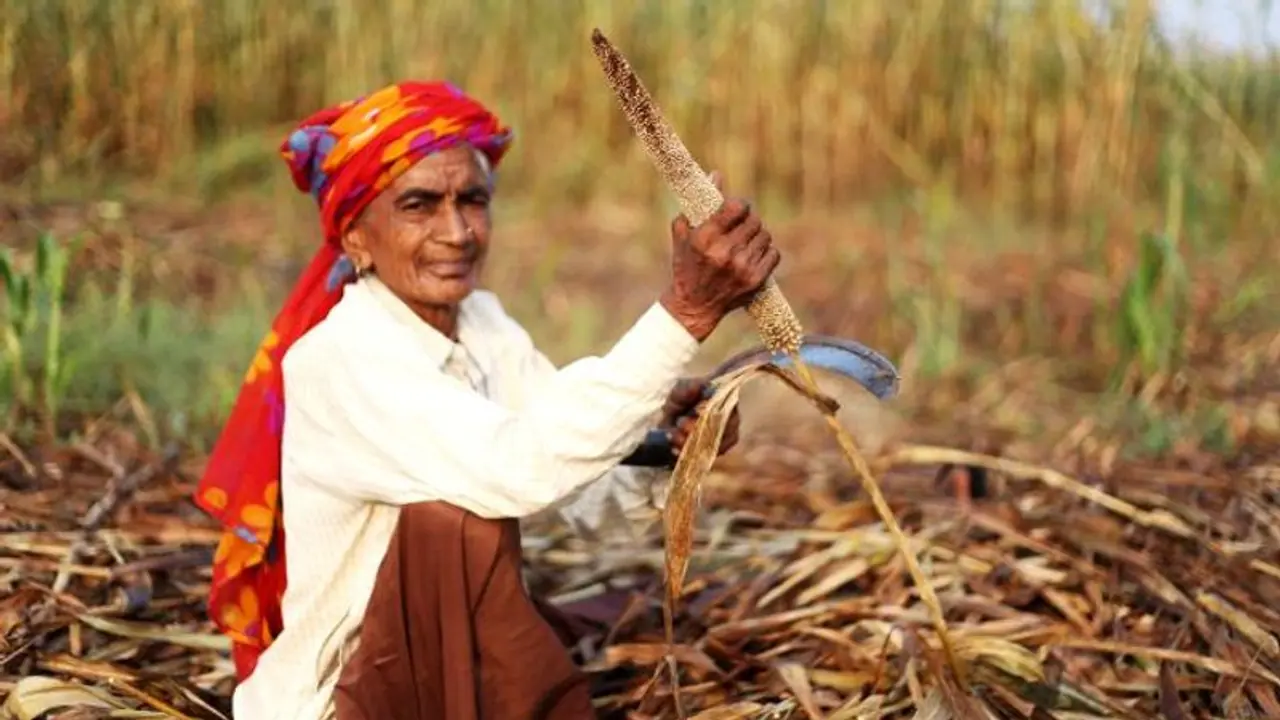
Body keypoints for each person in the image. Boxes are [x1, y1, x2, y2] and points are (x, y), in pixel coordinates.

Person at [193, 80, 781, 720]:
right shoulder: (341, 361)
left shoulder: (484, 323)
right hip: (343, 700)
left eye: (472, 200)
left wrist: (666, 447)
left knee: (468, 514)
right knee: (451, 523)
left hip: (447, 675)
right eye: (419, 205)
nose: (457, 232)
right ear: (356, 238)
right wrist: (685, 314)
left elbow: (577, 498)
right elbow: (523, 470)